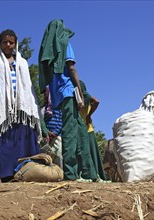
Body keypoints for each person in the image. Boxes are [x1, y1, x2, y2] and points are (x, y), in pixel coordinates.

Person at [39, 19, 98, 182]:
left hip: (59, 97)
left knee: (81, 134)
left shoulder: (48, 52)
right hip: (69, 95)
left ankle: (89, 173)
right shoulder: (64, 44)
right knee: (71, 135)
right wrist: (79, 89)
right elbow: (71, 68)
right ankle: (71, 174)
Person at [0, 29, 41, 183]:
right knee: (0, 141)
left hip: (21, 108)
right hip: (1, 108)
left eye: (11, 42)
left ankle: (21, 174)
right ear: (0, 43)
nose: (8, 45)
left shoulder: (22, 62)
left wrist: (31, 107)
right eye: (4, 42)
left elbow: (28, 87)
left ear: (15, 44)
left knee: (21, 141)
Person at [79, 80, 109, 181]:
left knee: (86, 153)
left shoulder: (78, 98)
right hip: (89, 129)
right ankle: (95, 174)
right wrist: (89, 115)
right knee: (92, 154)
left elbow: (97, 101)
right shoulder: (87, 97)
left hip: (83, 130)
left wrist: (88, 115)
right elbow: (97, 101)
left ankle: (90, 175)